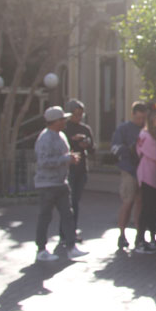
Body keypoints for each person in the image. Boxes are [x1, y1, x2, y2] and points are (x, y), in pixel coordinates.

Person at [34, 106, 89, 264]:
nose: (65, 121)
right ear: (55, 121)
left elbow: (61, 157)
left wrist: (70, 158)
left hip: (61, 182)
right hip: (47, 184)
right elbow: (43, 162)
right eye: (62, 119)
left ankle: (71, 247)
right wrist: (66, 160)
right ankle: (41, 249)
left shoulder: (61, 136)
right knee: (45, 216)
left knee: (68, 215)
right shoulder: (45, 139)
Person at [110, 101, 149, 250]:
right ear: (133, 115)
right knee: (128, 201)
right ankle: (122, 234)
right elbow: (115, 147)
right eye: (139, 118)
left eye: (143, 118)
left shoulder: (146, 129)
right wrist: (128, 150)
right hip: (129, 169)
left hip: (144, 170)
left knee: (140, 202)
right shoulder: (123, 129)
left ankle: (139, 234)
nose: (141, 121)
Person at [135, 106, 156, 254]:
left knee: (154, 209)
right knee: (147, 209)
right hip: (148, 176)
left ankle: (152, 237)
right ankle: (140, 240)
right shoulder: (145, 135)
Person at [62, 99, 94, 240]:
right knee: (68, 202)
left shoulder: (85, 129)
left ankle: (71, 231)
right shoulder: (64, 129)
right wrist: (73, 140)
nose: (78, 117)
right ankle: (65, 233)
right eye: (75, 114)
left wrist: (86, 144)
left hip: (81, 169)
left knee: (75, 202)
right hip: (68, 169)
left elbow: (92, 149)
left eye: (80, 114)